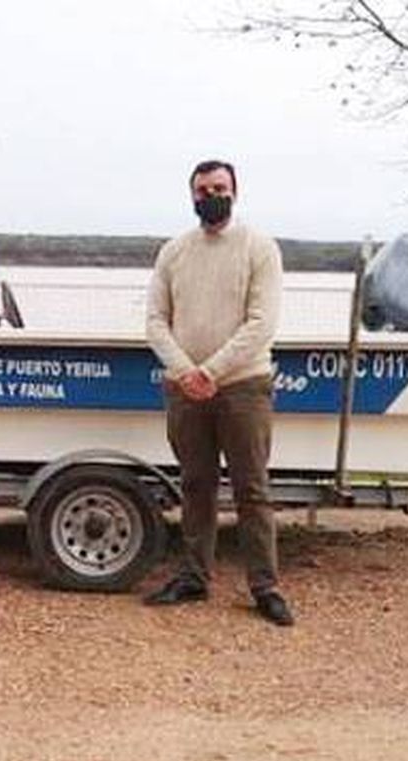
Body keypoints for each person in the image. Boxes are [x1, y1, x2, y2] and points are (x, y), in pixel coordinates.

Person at [142, 160, 294, 627]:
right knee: (196, 485)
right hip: (185, 389)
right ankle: (193, 576)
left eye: (220, 187)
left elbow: (261, 323)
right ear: (192, 197)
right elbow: (155, 321)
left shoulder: (259, 248)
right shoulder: (174, 252)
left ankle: (265, 587)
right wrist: (187, 372)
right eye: (204, 189)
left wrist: (211, 371)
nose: (212, 195)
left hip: (243, 386)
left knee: (252, 489)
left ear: (235, 191)